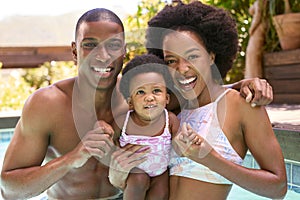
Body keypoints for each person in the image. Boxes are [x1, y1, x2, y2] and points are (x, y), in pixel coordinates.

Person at [1, 6, 273, 200]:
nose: (102, 55)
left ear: (125, 52)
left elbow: (199, 92)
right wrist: (72, 159)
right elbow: (9, 191)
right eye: (90, 45)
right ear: (74, 50)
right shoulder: (47, 104)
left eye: (113, 45)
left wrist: (242, 86)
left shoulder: (142, 98)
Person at [109, 1, 287, 200]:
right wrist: (117, 175)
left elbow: (278, 188)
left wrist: (210, 159)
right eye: (171, 61)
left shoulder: (242, 105)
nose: (182, 69)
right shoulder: (171, 107)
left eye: (192, 56)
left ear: (211, 55)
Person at [113, 53, 187, 200]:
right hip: (135, 171)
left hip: (160, 172)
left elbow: (179, 145)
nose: (149, 97)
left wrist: (186, 140)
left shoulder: (169, 120)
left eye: (156, 91)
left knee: (161, 193)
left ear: (166, 98)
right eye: (141, 92)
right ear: (130, 102)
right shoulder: (124, 121)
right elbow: (112, 140)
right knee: (137, 181)